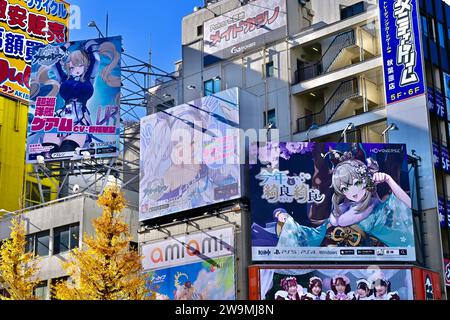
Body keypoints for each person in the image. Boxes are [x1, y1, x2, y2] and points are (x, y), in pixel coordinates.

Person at [274, 151, 413, 248]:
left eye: (357, 183)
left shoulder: (378, 208)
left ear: (366, 181)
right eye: (345, 189)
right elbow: (313, 235)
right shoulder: (343, 209)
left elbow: (408, 205)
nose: (352, 192)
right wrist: (283, 217)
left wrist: (388, 179)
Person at [31, 40, 120, 156]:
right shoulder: (64, 78)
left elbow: (96, 60)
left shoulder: (88, 78)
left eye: (79, 64)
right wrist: (65, 47)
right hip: (62, 117)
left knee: (68, 149)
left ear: (85, 65)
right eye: (72, 65)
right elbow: (53, 62)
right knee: (47, 152)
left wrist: (90, 46)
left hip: (80, 117)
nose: (75, 68)